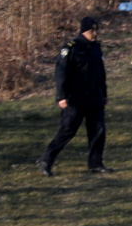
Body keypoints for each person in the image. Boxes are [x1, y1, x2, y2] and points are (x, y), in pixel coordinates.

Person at [39, 16, 109, 175]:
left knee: (98, 131)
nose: (96, 33)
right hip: (75, 98)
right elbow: (61, 73)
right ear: (85, 30)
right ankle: (46, 160)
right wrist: (61, 96)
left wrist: (104, 93)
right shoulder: (71, 48)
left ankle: (95, 164)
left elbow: (100, 73)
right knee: (67, 131)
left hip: (95, 97)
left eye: (96, 30)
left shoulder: (96, 48)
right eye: (93, 30)